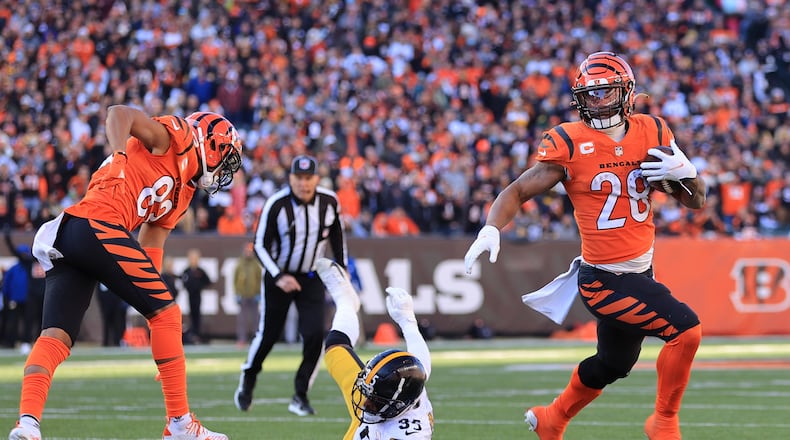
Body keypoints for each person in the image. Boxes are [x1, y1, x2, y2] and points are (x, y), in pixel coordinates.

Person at [464, 52, 706, 440]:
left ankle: (552, 419)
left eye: (606, 93)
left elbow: (695, 202)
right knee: (686, 330)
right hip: (603, 279)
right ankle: (663, 422)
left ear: (626, 93)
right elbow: (519, 189)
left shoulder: (653, 132)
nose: (598, 103)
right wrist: (492, 227)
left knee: (613, 364)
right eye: (590, 96)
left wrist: (691, 176)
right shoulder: (569, 141)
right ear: (579, 98)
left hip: (640, 271)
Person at [8, 105, 242, 440]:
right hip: (98, 224)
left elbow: (153, 241)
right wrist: (119, 154)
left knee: (56, 336)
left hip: (75, 234)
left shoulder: (184, 191)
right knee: (170, 315)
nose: (223, 170)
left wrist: (155, 314)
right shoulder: (178, 138)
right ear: (212, 143)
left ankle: (27, 423)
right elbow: (120, 114)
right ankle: (179, 423)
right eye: (226, 159)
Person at [234, 154, 348, 416]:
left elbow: (338, 236)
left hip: (311, 278)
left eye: (309, 178)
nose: (304, 184)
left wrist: (341, 269)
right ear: (291, 178)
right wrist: (278, 276)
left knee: (314, 337)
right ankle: (249, 377)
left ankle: (300, 394)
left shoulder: (329, 202)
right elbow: (259, 245)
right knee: (268, 336)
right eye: (299, 178)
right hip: (279, 276)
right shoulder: (277, 204)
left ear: (317, 179)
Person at [316, 257, 433, 439]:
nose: (364, 402)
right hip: (383, 412)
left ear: (399, 405)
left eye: (373, 400)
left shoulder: (405, 435)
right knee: (335, 346)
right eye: (367, 393)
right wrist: (407, 321)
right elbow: (421, 363)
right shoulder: (410, 385)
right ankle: (346, 301)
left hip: (375, 428)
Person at [180, 248, 212, 343]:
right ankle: (192, 335)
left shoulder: (200, 271)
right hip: (190, 295)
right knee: (191, 314)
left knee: (197, 315)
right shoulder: (187, 271)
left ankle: (197, 334)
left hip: (197, 295)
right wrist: (188, 287)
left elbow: (208, 281)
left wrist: (199, 286)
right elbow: (183, 280)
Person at [232, 243, 261, 347]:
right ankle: (242, 340)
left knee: (255, 320)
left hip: (254, 295)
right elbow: (235, 280)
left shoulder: (256, 264)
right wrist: (237, 293)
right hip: (243, 295)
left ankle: (256, 340)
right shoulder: (240, 264)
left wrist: (259, 293)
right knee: (242, 320)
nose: (249, 253)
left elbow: (260, 280)